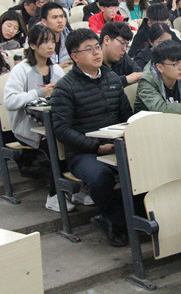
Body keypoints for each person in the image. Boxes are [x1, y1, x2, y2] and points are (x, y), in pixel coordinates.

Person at [50, 28, 132, 247]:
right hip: (84, 153)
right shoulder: (65, 88)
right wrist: (96, 147)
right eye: (89, 49)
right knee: (101, 177)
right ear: (75, 57)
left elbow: (126, 116)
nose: (96, 53)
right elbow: (62, 130)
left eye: (97, 47)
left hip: (115, 145)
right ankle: (113, 220)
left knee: (145, 165)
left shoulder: (112, 78)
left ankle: (138, 216)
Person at [3, 24, 71, 210]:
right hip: (27, 127)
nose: (50, 46)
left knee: (73, 139)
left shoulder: (56, 70)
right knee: (56, 146)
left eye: (52, 42)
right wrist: (38, 93)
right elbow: (10, 101)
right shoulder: (21, 70)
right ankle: (54, 195)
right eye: (45, 42)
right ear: (32, 45)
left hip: (52, 123)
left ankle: (74, 189)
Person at [134, 40, 181, 115]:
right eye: (175, 64)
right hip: (149, 122)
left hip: (179, 121)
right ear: (160, 67)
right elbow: (160, 108)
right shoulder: (147, 81)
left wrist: (180, 108)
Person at [99, 21, 142, 87]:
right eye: (122, 43)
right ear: (107, 40)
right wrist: (126, 79)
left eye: (127, 45)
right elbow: (97, 87)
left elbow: (138, 73)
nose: (124, 49)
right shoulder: (92, 61)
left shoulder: (123, 57)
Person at [39, 2, 72, 68]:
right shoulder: (36, 39)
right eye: (55, 17)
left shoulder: (68, 36)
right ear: (44, 22)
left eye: (61, 16)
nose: (60, 21)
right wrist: (58, 68)